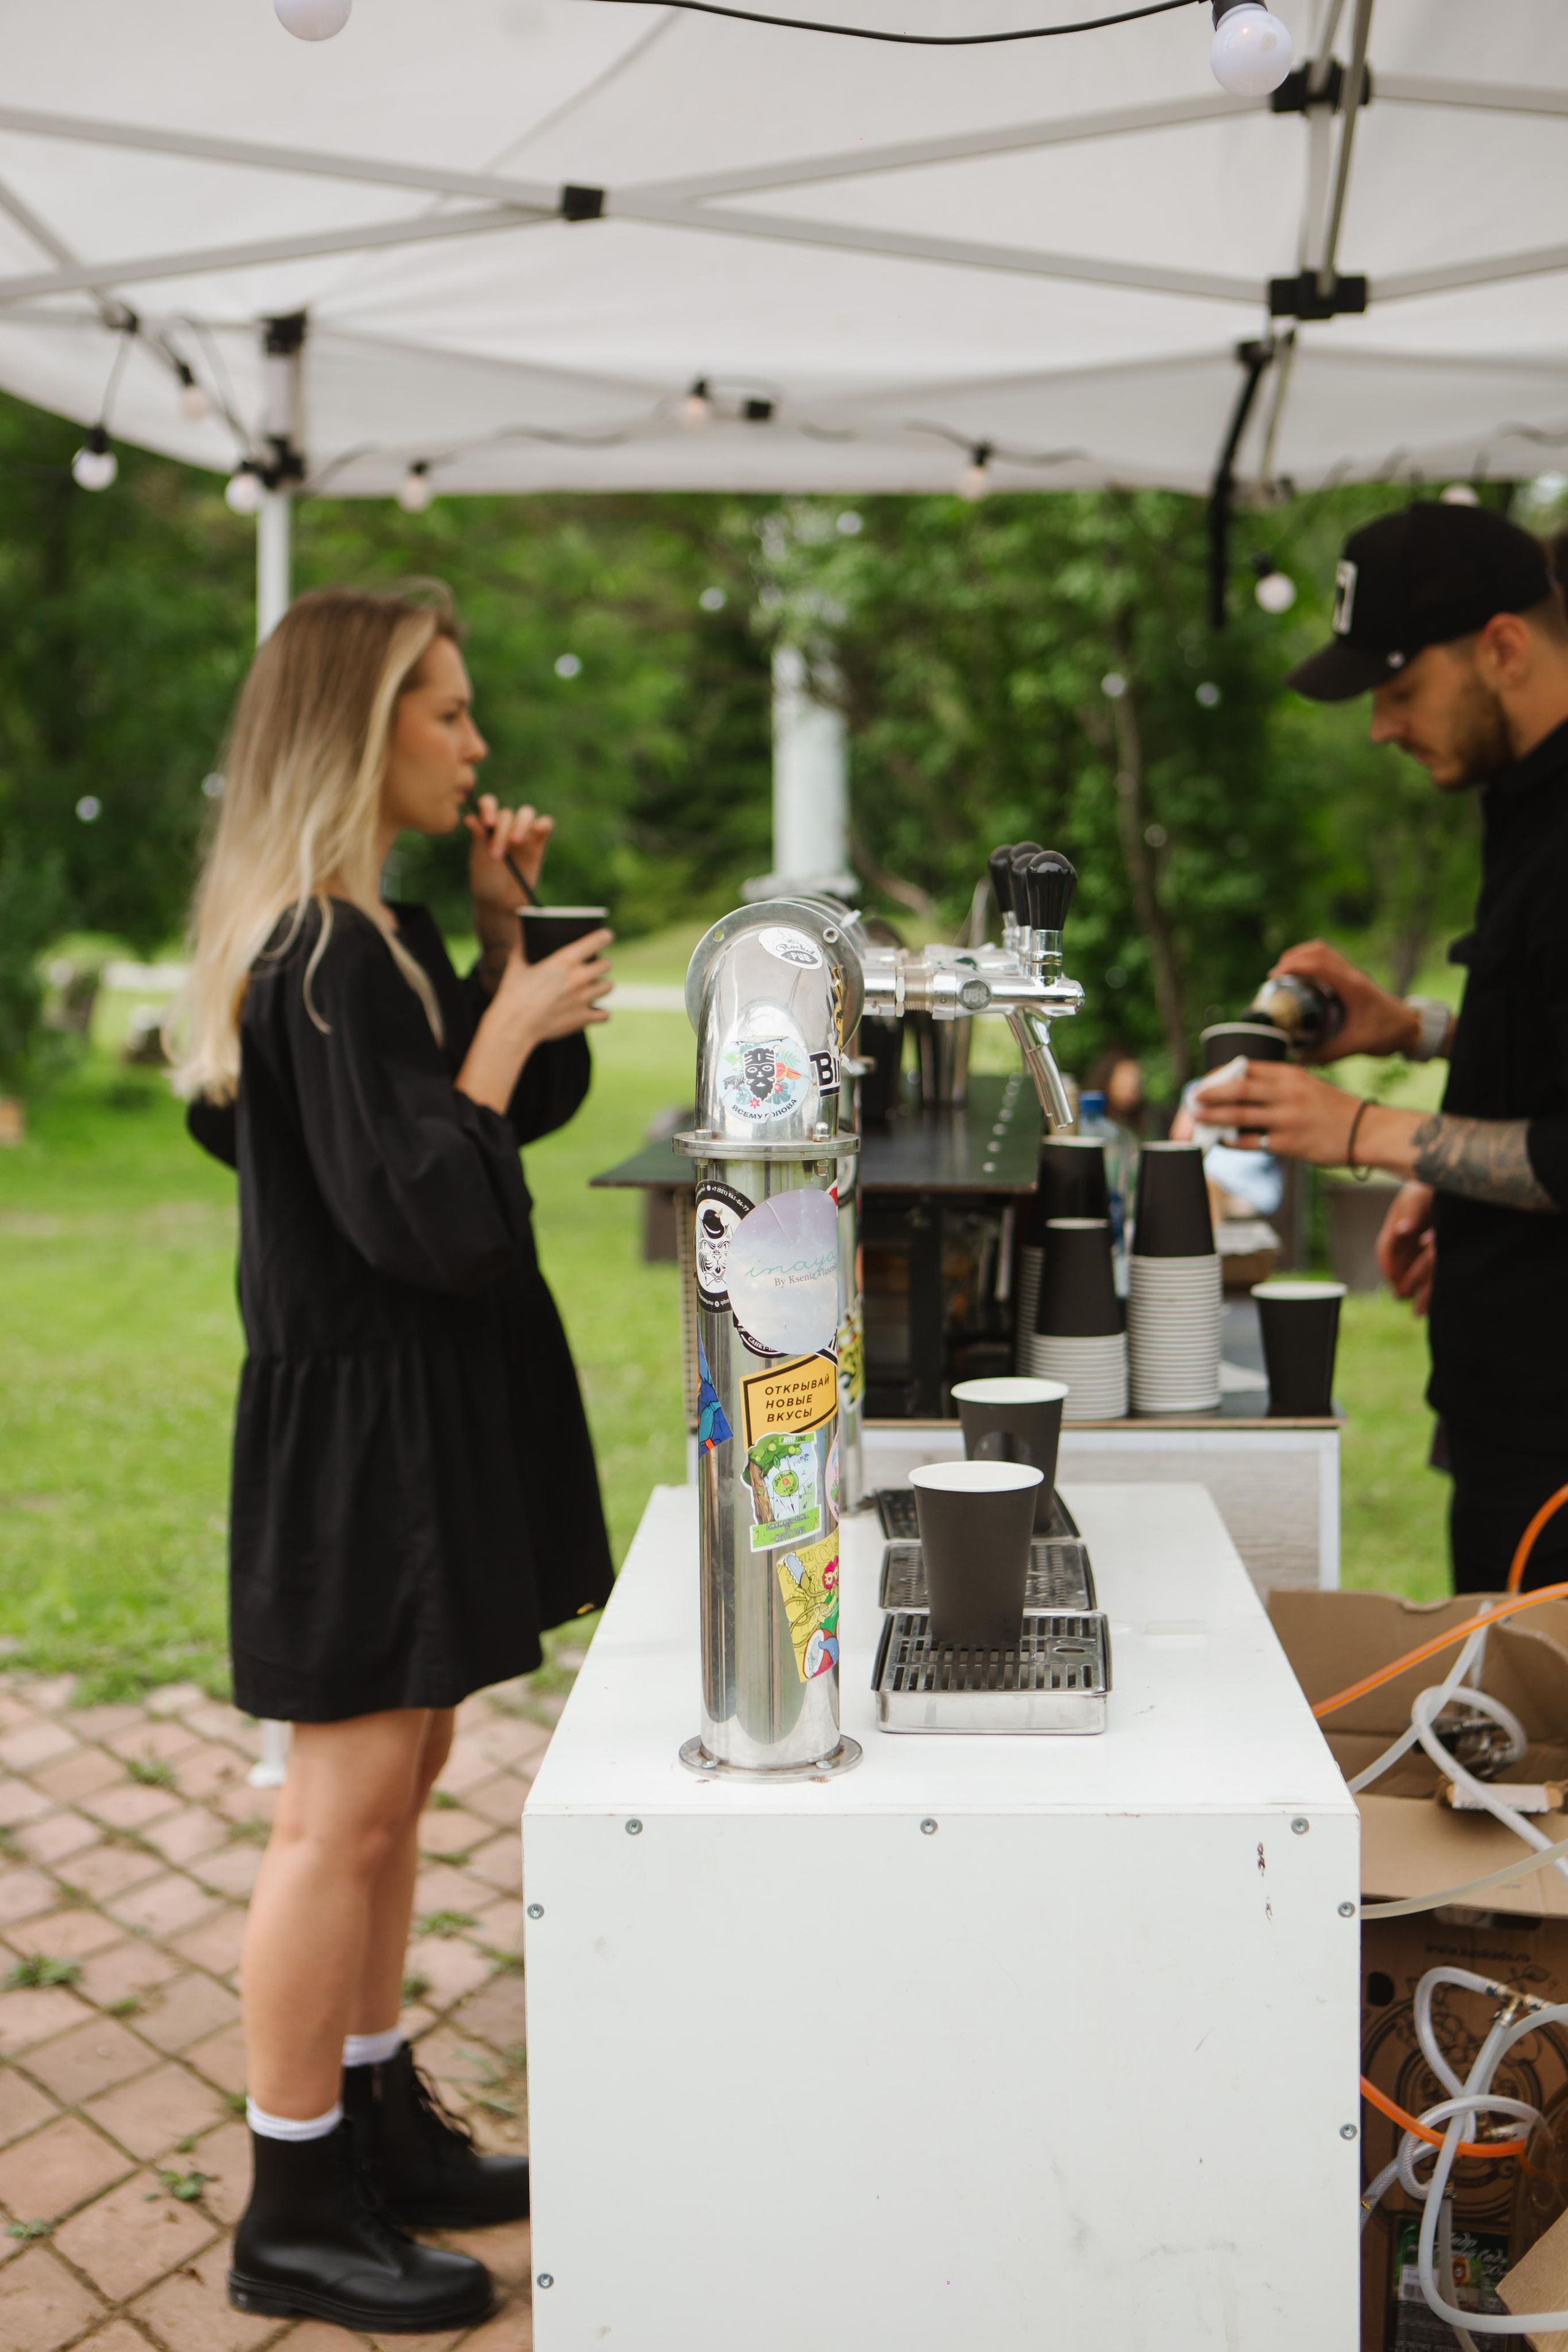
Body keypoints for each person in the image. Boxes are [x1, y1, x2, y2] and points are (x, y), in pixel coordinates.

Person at [174, 586, 616, 2333]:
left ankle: (378, 2120)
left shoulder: (377, 935)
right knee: (335, 1813)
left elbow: (473, 1147)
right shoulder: (321, 950)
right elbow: (432, 1206)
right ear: (362, 731)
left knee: (403, 1780)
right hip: (360, 1433)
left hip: (408, 1414)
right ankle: (294, 2199)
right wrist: (500, 1036)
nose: (478, 745)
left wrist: (505, 963)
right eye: (447, 712)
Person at [1197, 501, 1568, 1593]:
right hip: (1506, 1400)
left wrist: (1368, 1131)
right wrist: (1412, 1029)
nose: (1379, 728)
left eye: (1399, 691)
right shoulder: (1525, 801)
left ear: (1502, 647)